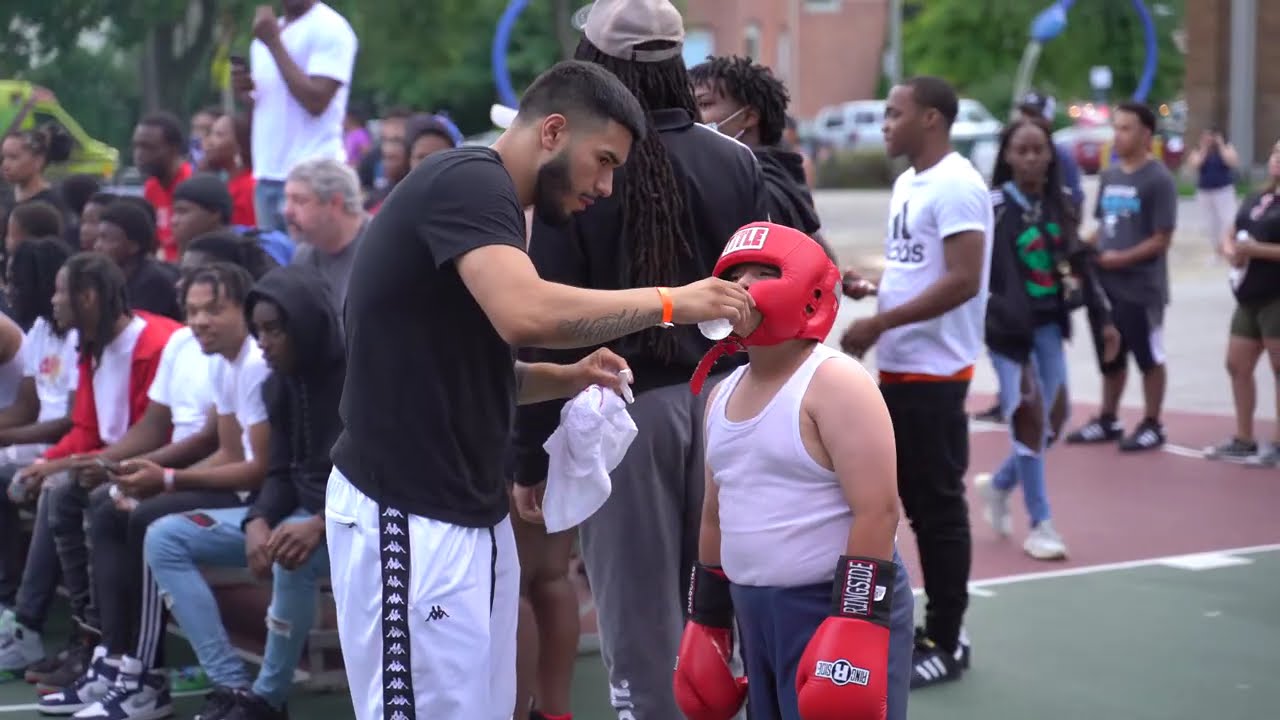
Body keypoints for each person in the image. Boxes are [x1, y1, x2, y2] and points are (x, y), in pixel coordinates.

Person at [326, 58, 753, 720]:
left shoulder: (489, 206)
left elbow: (469, 370)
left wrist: (566, 377)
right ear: (553, 131)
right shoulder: (471, 182)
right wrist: (672, 301)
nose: (608, 187)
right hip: (406, 509)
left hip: (468, 511)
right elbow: (525, 314)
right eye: (603, 161)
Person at [511, 5, 771, 717]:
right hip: (730, 402)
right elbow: (767, 289)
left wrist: (529, 455)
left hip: (623, 411)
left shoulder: (583, 168)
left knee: (641, 621)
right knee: (732, 604)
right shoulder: (735, 160)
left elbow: (545, 318)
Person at [675, 222, 914, 720]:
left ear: (809, 292)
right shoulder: (721, 394)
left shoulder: (834, 381)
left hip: (827, 602)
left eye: (763, 273)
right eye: (734, 275)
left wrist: (855, 621)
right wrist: (708, 618)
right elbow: (715, 515)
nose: (743, 287)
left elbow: (878, 510)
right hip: (753, 608)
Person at [59, 262, 271, 720]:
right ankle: (115, 660)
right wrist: (152, 470)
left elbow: (256, 470)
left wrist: (168, 480)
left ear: (245, 310)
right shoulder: (223, 362)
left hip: (263, 501)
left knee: (146, 516)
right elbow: (228, 453)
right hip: (238, 489)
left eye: (213, 310)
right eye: (192, 311)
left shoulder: (254, 364)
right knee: (110, 505)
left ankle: (145, 678)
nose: (199, 321)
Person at [840, 76, 992, 689]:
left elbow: (962, 279)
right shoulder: (909, 183)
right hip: (900, 367)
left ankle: (948, 639)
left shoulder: (958, 185)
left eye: (894, 113)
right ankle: (909, 625)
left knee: (937, 509)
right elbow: (921, 270)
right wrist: (875, 289)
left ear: (931, 119)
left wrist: (879, 321)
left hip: (935, 373)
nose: (884, 124)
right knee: (893, 502)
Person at [145, 264, 344, 720]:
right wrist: (256, 520)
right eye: (258, 331)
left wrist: (317, 524)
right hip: (293, 518)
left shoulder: (359, 380)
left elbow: (379, 479)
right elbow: (277, 473)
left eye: (274, 330)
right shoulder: (280, 384)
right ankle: (231, 684)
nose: (263, 343)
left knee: (288, 541)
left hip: (351, 527)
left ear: (308, 325)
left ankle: (268, 700)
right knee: (165, 536)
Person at [978, 117, 1120, 561]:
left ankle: (999, 485)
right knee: (1029, 415)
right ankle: (1041, 523)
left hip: (1049, 326)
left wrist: (1105, 320)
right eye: (1022, 150)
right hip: (1007, 332)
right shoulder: (994, 204)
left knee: (1054, 422)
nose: (1032, 157)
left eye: (1040, 149)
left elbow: (1079, 264)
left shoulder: (1060, 203)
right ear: (1007, 155)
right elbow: (975, 271)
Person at [1063, 102, 1178, 452]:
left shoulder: (1158, 179)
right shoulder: (1111, 176)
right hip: (1105, 287)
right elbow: (1103, 227)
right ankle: (1109, 417)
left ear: (1146, 134)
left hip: (1142, 288)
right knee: (1111, 353)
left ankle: (1153, 422)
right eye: (1116, 128)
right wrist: (1081, 247)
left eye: (1126, 128)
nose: (1118, 135)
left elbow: (1162, 239)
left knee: (1148, 356)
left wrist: (1120, 259)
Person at [688, 54, 836, 261]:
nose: (691, 115)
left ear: (749, 117)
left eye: (704, 104)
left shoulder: (754, 183)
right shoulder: (780, 173)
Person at [232, 0, 358, 233]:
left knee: (310, 264)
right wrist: (244, 93)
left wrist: (274, 43)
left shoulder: (331, 28)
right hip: (267, 176)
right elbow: (271, 109)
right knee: (275, 265)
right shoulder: (265, 35)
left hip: (314, 176)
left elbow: (316, 102)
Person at [1206, 139, 1280, 466]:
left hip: (1276, 294)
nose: (1278, 158)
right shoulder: (1258, 197)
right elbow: (1231, 230)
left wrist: (1256, 251)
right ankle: (1244, 437)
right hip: (1248, 294)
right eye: (1276, 151)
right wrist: (1229, 249)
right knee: (1237, 364)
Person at [283, 158, 366, 318]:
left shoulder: (378, 249)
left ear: (335, 203)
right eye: (287, 199)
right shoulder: (303, 254)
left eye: (300, 201)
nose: (287, 211)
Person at [134, 112, 195, 262]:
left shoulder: (192, 185)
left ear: (173, 149)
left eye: (148, 147)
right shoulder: (151, 187)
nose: (139, 154)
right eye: (136, 146)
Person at [1184, 128, 1240, 259]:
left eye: (1212, 136)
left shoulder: (1226, 148)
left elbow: (1232, 162)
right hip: (1205, 192)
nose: (1210, 140)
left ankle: (1230, 248)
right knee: (1211, 224)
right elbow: (1195, 164)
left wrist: (1220, 145)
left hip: (1224, 190)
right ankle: (1218, 251)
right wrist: (1204, 148)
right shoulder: (1198, 151)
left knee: (1228, 220)